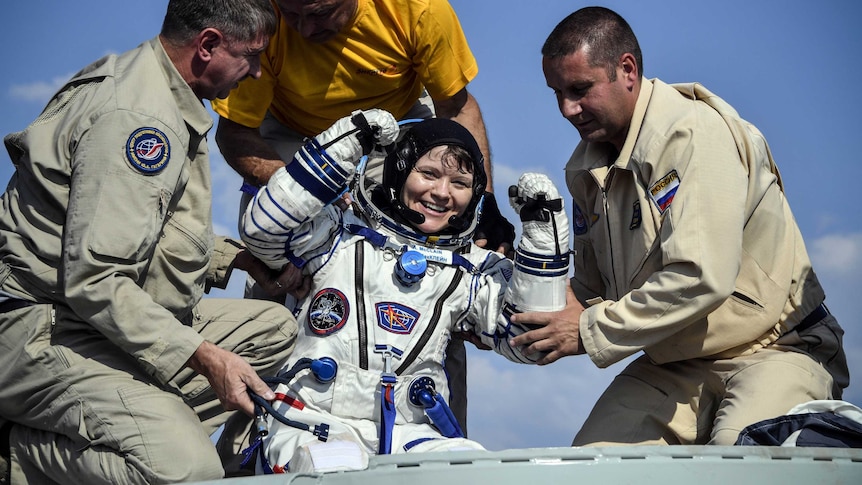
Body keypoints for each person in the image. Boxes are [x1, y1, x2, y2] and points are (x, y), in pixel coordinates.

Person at [510, 6, 850, 446]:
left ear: (627, 70)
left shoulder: (694, 134)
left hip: (776, 348)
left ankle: (829, 435)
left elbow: (700, 276)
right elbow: (592, 292)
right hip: (675, 360)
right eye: (555, 92)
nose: (566, 109)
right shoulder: (586, 171)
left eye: (579, 89)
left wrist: (585, 331)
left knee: (737, 463)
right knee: (589, 468)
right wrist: (509, 299)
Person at [0, 1, 302, 483]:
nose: (257, 71)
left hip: (101, 317)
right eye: (251, 55)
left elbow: (141, 232)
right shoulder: (139, 121)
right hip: (44, 330)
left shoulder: (159, 84)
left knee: (274, 329)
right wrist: (206, 355)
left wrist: (237, 260)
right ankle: (21, 453)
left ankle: (149, 424)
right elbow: (95, 279)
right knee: (185, 471)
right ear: (207, 45)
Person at [210, 0, 516, 433]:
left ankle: (437, 436)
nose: (303, 29)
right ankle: (248, 445)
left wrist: (486, 205)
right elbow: (235, 132)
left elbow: (457, 106)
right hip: (290, 132)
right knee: (278, 277)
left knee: (435, 280)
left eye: (319, 14)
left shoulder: (418, 11)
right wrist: (311, 191)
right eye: (293, 15)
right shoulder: (269, 17)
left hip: (397, 126)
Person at [238, 112, 570, 473]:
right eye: (428, 174)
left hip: (411, 432)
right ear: (398, 171)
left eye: (459, 182)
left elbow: (531, 338)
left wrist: (543, 239)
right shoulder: (338, 235)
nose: (441, 193)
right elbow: (263, 229)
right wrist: (349, 139)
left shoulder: (469, 268)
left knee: (472, 472)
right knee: (334, 467)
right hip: (311, 421)